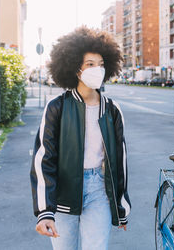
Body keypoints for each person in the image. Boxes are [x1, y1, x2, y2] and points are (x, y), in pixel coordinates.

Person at [30, 27, 131, 250]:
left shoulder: (112, 110)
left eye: (102, 63)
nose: (99, 69)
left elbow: (120, 161)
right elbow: (43, 159)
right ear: (77, 70)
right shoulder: (57, 107)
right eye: (91, 64)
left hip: (99, 190)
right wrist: (44, 212)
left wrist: (121, 208)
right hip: (63, 191)